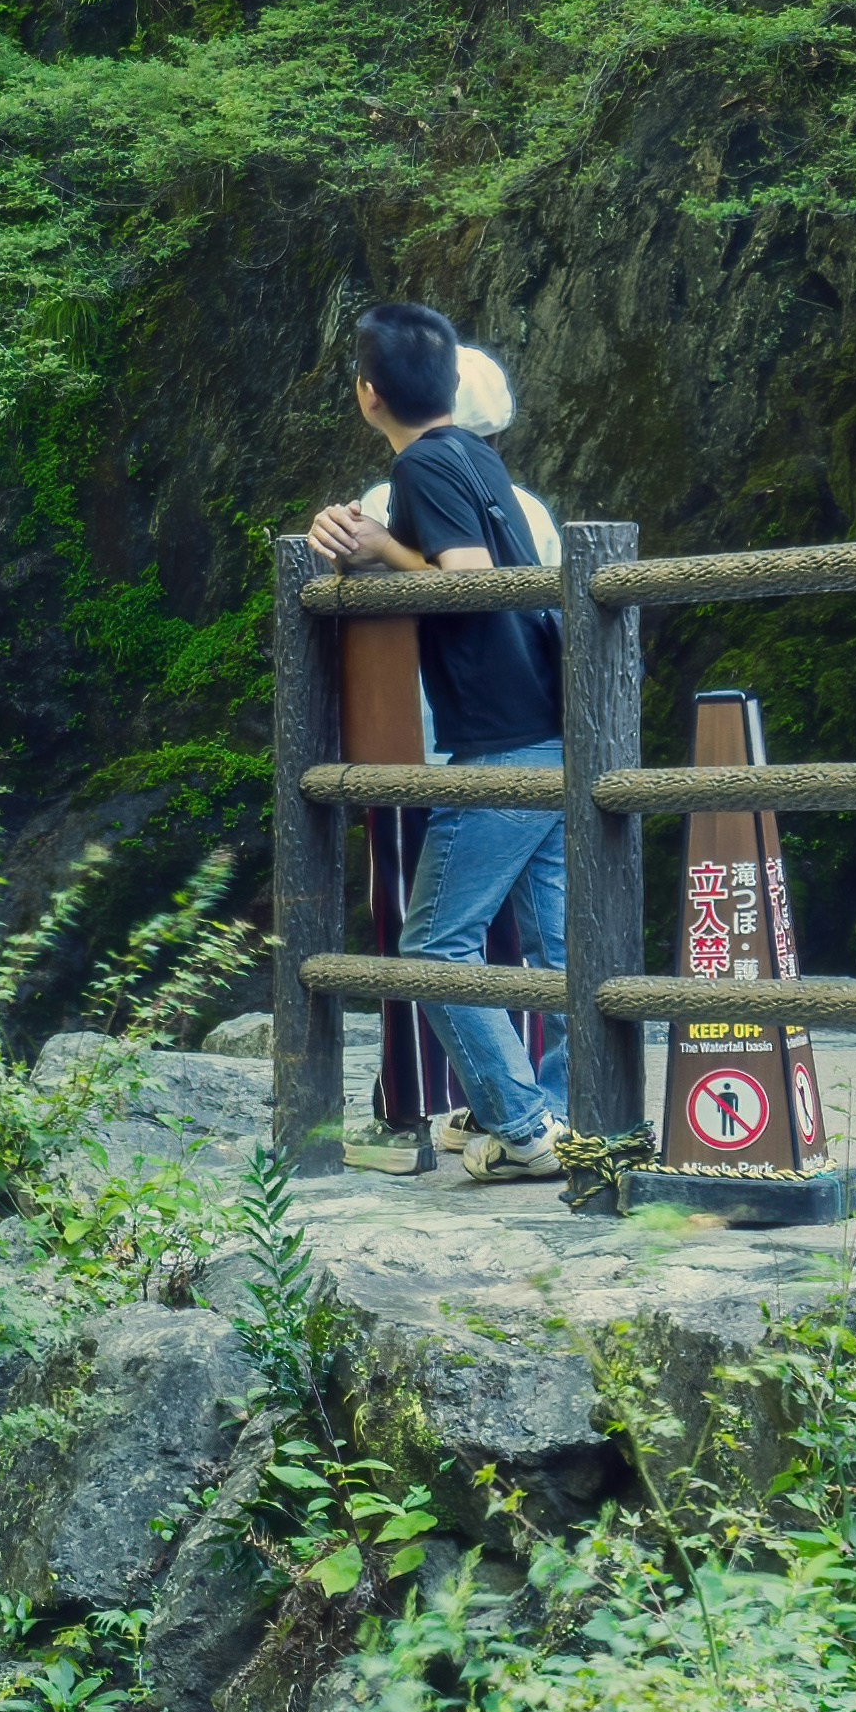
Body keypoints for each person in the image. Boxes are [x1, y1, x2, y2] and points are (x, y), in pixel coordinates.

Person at [301, 302, 568, 1174]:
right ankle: (565, 1113)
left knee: (433, 948)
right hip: (551, 728)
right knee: (563, 946)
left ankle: (524, 1129)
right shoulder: (484, 463)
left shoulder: (420, 468)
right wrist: (374, 545)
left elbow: (469, 582)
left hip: (497, 742)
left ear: (366, 395)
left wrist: (385, 544)